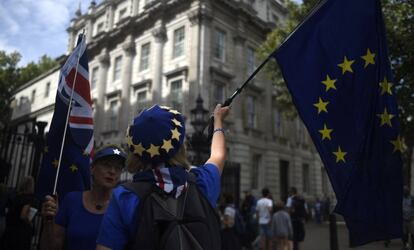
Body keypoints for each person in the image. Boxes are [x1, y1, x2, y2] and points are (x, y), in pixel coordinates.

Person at [96, 104, 230, 250]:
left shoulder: (125, 196)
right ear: (180, 146)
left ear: (135, 152)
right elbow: (218, 155)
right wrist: (218, 120)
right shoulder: (200, 183)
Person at [40, 145, 127, 250]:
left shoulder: (123, 207)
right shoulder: (71, 201)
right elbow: (51, 247)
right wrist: (48, 222)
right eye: (106, 165)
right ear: (92, 168)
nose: (112, 171)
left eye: (118, 168)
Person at [2, 176, 37, 250]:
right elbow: (23, 215)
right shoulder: (28, 198)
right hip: (20, 234)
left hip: (10, 231)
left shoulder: (15, 196)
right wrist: (29, 223)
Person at [402, 185, 414, 249]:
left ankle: (413, 246)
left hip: (411, 219)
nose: (405, 192)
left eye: (406, 190)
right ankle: (405, 246)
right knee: (405, 234)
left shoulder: (412, 198)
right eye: (404, 190)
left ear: (408, 191)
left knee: (412, 233)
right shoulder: (401, 198)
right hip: (404, 219)